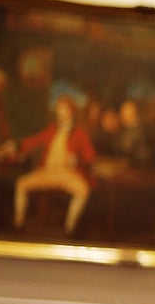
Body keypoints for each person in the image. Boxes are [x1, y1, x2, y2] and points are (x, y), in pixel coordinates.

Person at [12, 95, 97, 235]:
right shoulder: (52, 130)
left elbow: (90, 158)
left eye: (63, 109)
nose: (60, 112)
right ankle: (18, 223)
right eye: (58, 109)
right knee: (21, 184)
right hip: (47, 172)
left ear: (71, 112)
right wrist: (16, 146)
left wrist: (77, 160)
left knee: (83, 191)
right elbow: (34, 141)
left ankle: (69, 228)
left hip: (68, 174)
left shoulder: (80, 133)